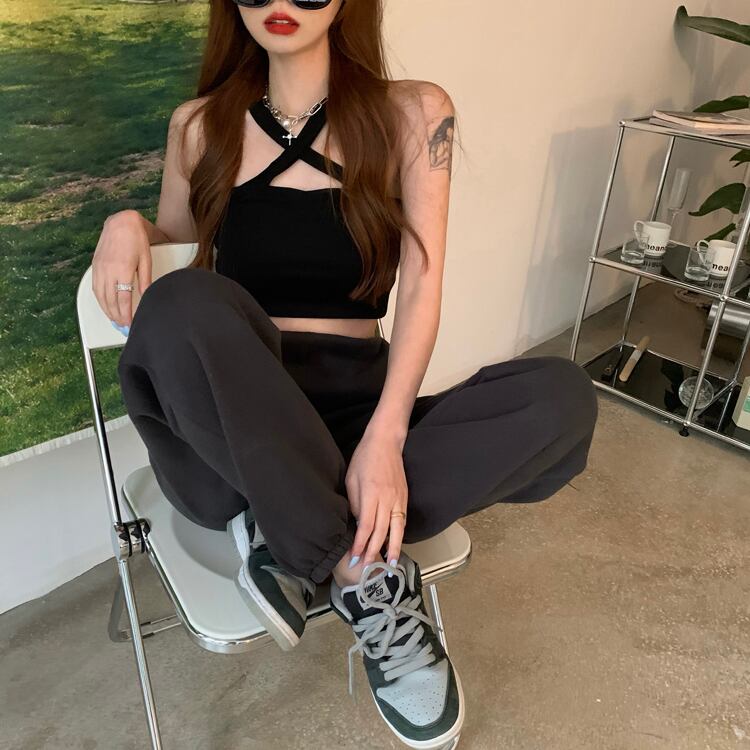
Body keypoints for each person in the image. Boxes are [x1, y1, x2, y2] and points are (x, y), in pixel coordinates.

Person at [92, 1, 598, 746]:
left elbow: (422, 286)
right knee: (180, 300)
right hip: (232, 435)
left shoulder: (413, 114)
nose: (281, 4)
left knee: (561, 398)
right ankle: (361, 573)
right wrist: (127, 224)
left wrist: (387, 438)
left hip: (358, 419)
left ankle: (290, 528)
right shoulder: (197, 126)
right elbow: (173, 252)